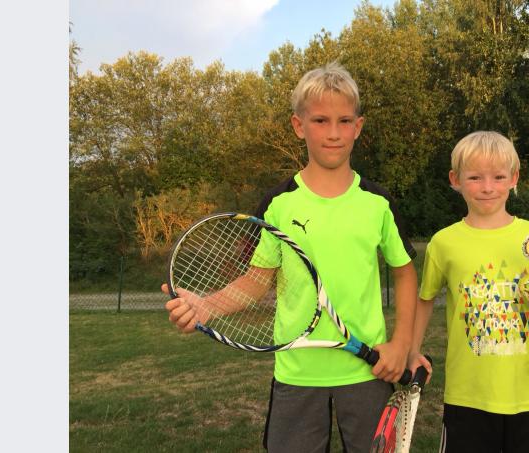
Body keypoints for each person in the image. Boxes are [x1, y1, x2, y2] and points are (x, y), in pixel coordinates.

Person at [162, 62, 418, 453]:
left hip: (368, 373)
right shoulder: (278, 204)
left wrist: (400, 345)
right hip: (297, 374)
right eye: (320, 120)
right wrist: (206, 307)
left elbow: (404, 273)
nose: (333, 132)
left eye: (344, 120)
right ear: (299, 126)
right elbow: (257, 279)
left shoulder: (377, 203)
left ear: (358, 126)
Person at [408, 131, 529, 453]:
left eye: (498, 177)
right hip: (467, 395)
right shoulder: (443, 242)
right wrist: (412, 350)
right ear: (455, 179)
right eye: (474, 177)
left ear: (514, 178)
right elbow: (425, 300)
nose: (487, 187)